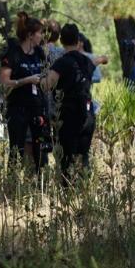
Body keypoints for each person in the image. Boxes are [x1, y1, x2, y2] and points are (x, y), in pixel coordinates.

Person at [43, 23, 97, 184]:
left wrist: (39, 78)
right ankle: (84, 188)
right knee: (83, 155)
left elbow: (48, 84)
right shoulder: (86, 61)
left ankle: (68, 190)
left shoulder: (62, 63)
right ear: (78, 41)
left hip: (68, 115)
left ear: (61, 40)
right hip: (88, 114)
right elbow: (97, 63)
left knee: (66, 156)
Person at [0, 13, 51, 171]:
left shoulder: (39, 54)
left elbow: (47, 74)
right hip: (18, 108)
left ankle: (40, 181)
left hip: (37, 107)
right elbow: (4, 82)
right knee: (17, 148)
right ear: (30, 35)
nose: (41, 37)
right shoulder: (13, 53)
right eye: (39, 33)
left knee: (40, 147)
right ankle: (12, 184)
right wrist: (25, 81)